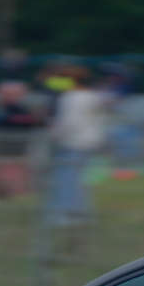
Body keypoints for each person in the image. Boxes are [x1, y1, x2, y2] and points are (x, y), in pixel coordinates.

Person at [45, 64, 106, 229]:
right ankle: (81, 213)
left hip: (73, 142)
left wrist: (54, 134)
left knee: (67, 179)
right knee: (77, 180)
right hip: (90, 142)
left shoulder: (71, 97)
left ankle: (68, 215)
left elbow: (70, 123)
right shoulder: (93, 96)